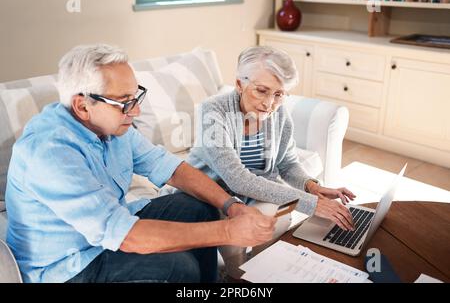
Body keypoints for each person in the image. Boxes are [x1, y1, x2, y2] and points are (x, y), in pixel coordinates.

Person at [5, 44, 276, 283]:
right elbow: (126, 235)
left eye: (136, 97)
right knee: (179, 267)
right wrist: (228, 231)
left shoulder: (111, 127)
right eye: (124, 103)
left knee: (196, 206)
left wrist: (233, 206)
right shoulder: (49, 153)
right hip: (66, 267)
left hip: (105, 236)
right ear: (83, 106)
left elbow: (173, 169)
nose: (135, 111)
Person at [187, 46, 356, 276]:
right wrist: (312, 203)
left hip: (251, 195)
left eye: (278, 94)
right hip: (213, 194)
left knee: (280, 218)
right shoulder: (213, 111)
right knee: (236, 235)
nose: (269, 104)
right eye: (262, 91)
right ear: (239, 84)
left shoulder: (279, 114)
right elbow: (237, 180)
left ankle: (260, 273)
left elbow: (287, 163)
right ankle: (237, 278)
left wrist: (312, 187)